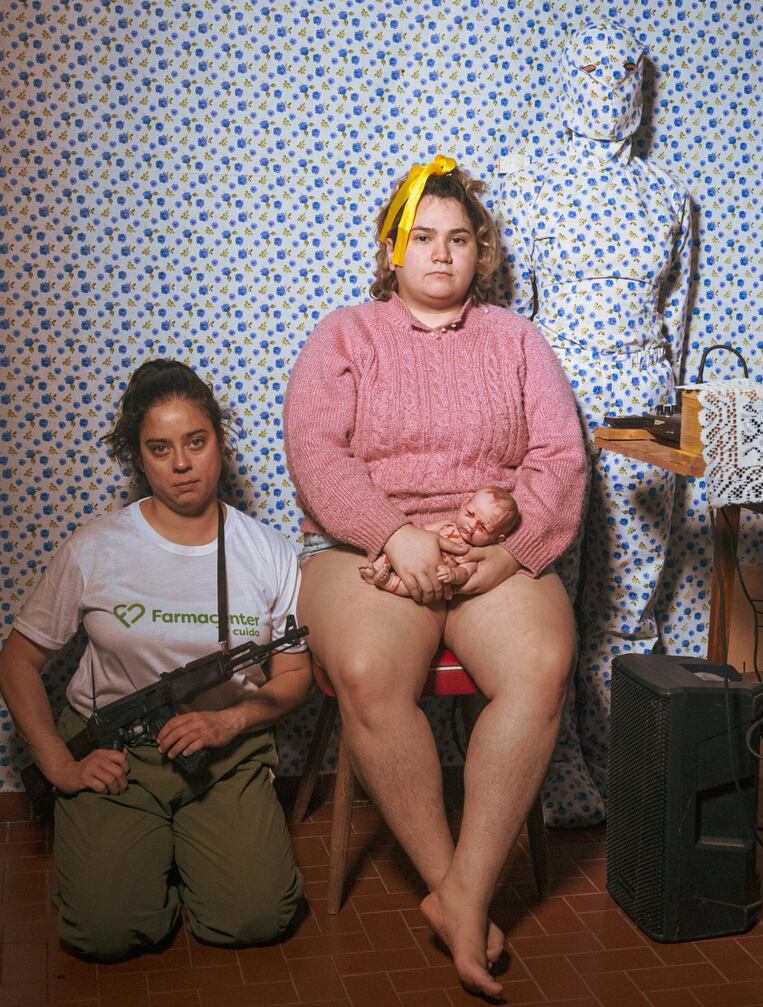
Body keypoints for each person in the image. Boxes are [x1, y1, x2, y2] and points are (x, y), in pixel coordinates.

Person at [283, 156, 586, 996]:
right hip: (364, 545)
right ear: (394, 249)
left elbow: (560, 457)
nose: (441, 253)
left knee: (542, 664)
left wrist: (508, 556)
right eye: (422, 237)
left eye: (458, 238)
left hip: (489, 548)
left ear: (480, 251)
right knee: (368, 670)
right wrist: (393, 532)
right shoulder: (345, 335)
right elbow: (315, 451)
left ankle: (465, 893)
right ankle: (449, 883)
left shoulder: (518, 341)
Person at [0, 360, 311, 959]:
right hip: (116, 755)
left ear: (220, 441)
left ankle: (192, 851)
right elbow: (16, 662)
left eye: (196, 441)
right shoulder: (96, 547)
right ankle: (138, 856)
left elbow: (294, 674)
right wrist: (60, 764)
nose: (182, 463)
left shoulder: (267, 551)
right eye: (160, 448)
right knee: (106, 932)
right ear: (138, 457)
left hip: (223, 753)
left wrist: (231, 721)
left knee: (255, 917)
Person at [499, 21, 692, 826]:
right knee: (552, 575)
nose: (608, 86)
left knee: (633, 588)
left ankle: (628, 765)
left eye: (622, 72)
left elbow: (679, 319)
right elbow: (511, 315)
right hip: (555, 394)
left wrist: (674, 411)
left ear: (640, 82)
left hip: (644, 399)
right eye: (591, 70)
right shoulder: (525, 179)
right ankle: (555, 769)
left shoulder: (670, 193)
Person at [359, 485, 519, 594]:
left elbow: (465, 572)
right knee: (391, 552)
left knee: (416, 588)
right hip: (410, 551)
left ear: (498, 539)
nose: (471, 526)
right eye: (470, 514)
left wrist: (453, 574)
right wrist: (411, 538)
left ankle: (387, 582)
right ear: (464, 504)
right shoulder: (446, 525)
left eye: (482, 527)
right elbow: (423, 530)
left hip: (430, 576)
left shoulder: (472, 553)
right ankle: (377, 567)